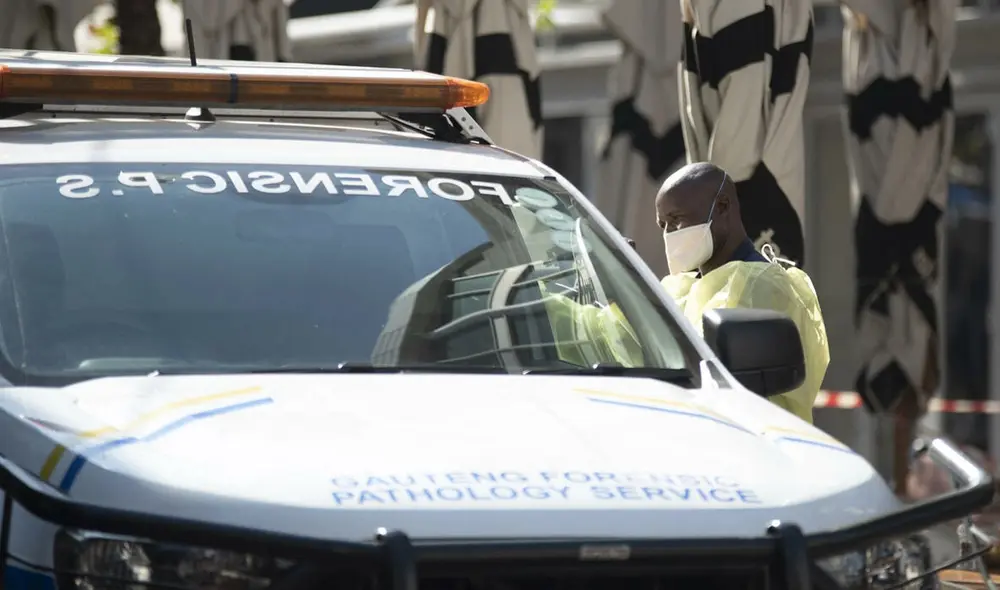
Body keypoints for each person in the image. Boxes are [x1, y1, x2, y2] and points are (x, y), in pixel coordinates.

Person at [655, 162, 829, 423]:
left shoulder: (760, 282)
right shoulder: (687, 286)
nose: (669, 234)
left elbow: (699, 364)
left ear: (723, 206)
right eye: (663, 225)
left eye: (677, 220)